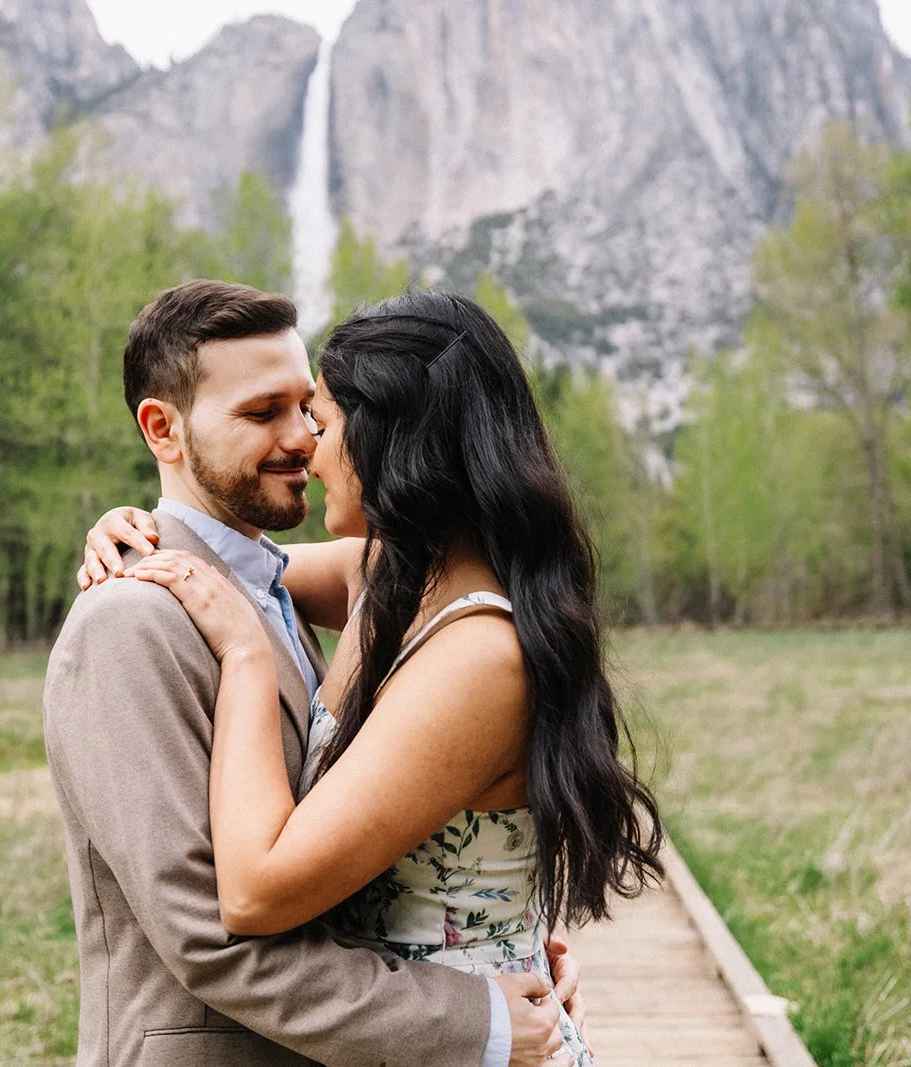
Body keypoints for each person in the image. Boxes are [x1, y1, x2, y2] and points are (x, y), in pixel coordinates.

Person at [43, 280, 578, 1067]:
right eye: (266, 412)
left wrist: (499, 935)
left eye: (313, 412)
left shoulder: (379, 597)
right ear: (162, 428)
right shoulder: (133, 621)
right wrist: (137, 531)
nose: (303, 440)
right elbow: (212, 933)